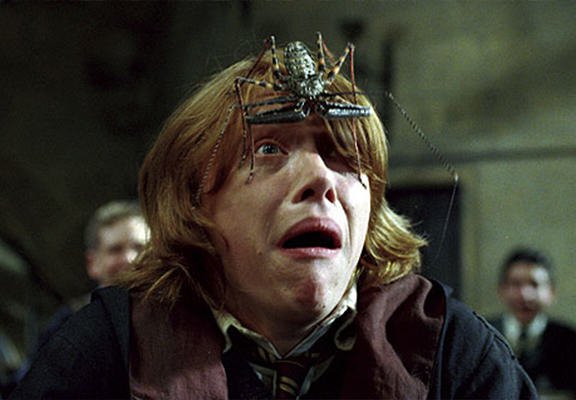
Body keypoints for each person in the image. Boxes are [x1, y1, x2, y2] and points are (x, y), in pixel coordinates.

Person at [11, 34, 536, 399]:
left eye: (342, 154)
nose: (320, 179)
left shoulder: (452, 350)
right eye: (267, 149)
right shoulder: (106, 350)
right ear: (196, 200)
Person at [13, 200, 149, 383]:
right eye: (115, 250)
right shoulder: (70, 322)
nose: (130, 259)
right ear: (93, 263)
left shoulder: (173, 318)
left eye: (140, 248)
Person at [489, 247, 576, 398]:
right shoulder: (485, 334)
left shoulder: (569, 340)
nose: (525, 295)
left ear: (551, 292)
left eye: (535, 284)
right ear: (501, 289)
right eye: (516, 284)